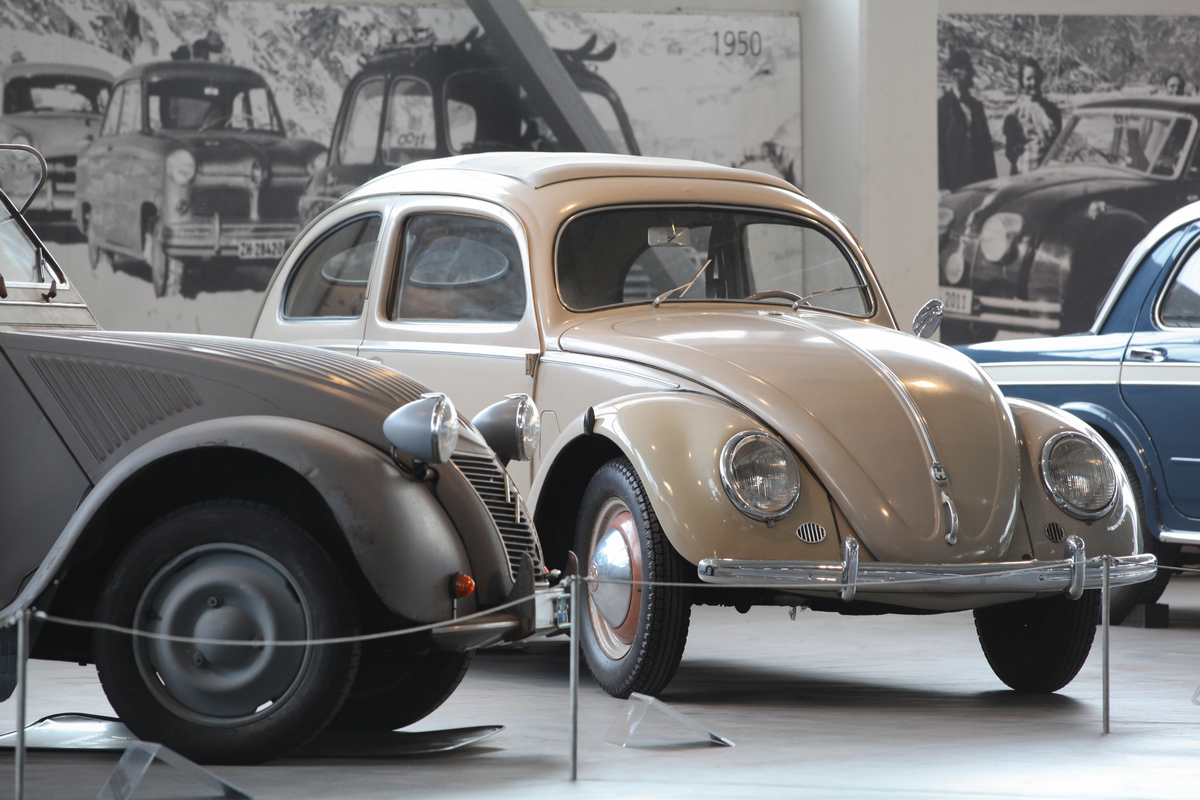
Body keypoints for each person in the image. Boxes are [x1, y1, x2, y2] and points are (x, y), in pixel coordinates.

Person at [937, 50, 996, 192]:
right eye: (968, 69)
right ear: (955, 74)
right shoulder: (941, 107)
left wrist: (993, 182)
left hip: (979, 185)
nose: (973, 73)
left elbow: (987, 150)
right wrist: (942, 186)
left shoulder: (977, 107)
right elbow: (939, 151)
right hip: (954, 187)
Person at [1002, 56, 1061, 175]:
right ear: (1021, 81)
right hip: (1023, 174)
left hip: (1048, 174)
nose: (1033, 83)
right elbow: (1009, 151)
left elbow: (1059, 145)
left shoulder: (1052, 110)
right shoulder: (1014, 112)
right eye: (1028, 79)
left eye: (1036, 78)